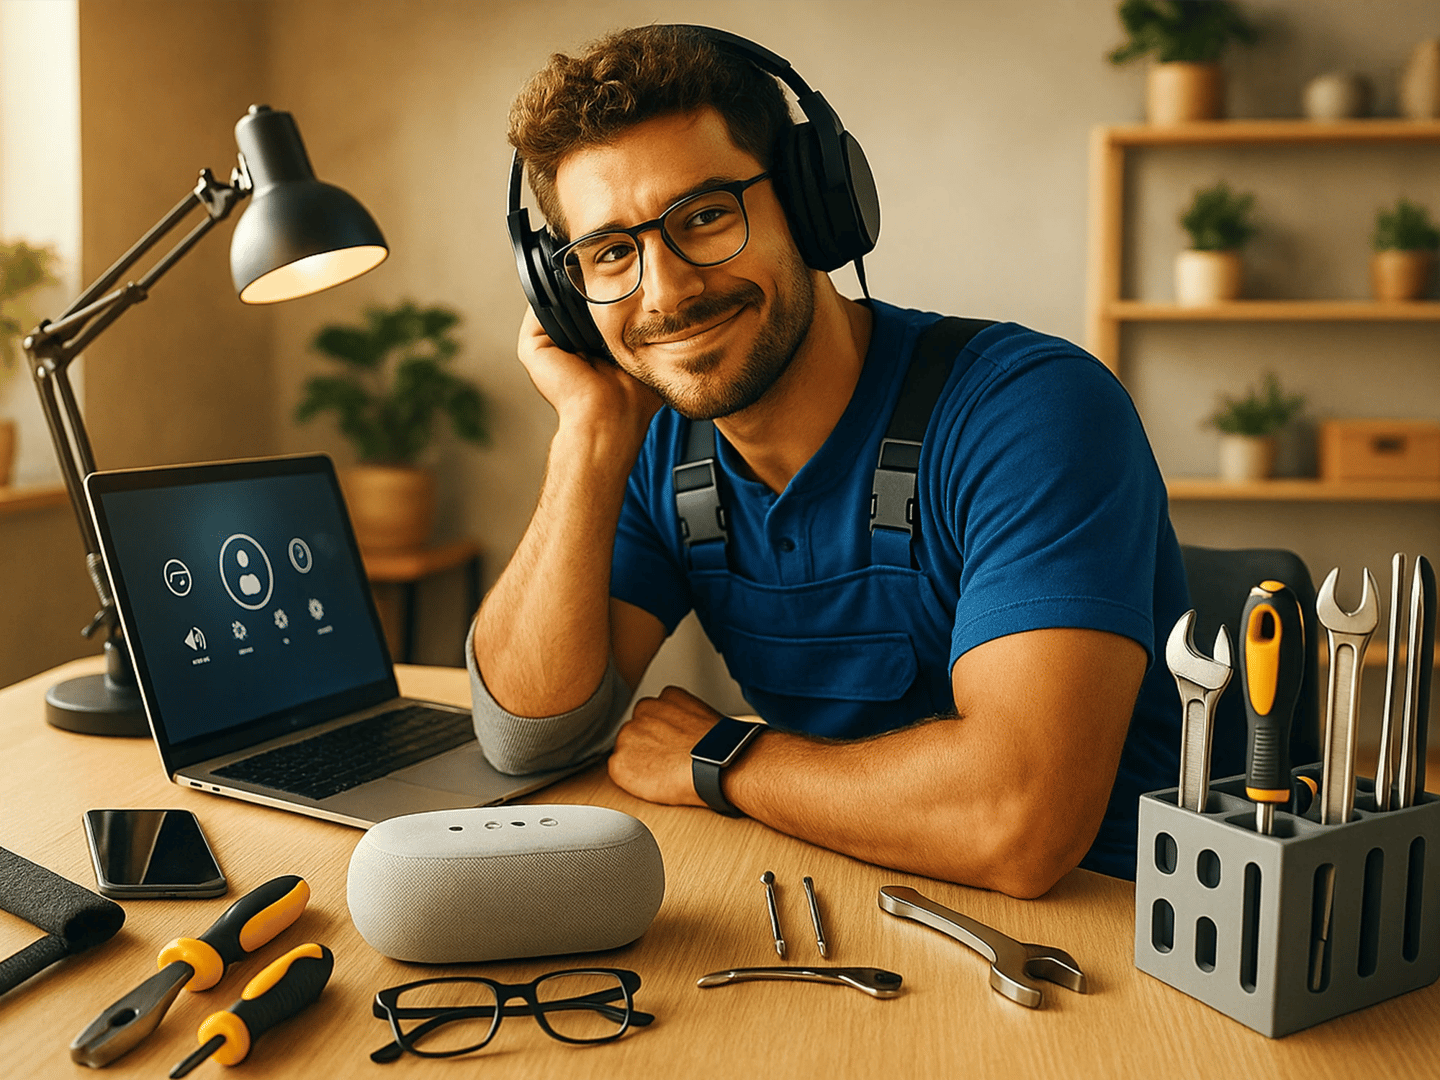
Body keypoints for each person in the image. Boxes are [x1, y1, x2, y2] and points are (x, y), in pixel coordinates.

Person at [470, 24, 1188, 898]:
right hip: (846, 888)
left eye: (705, 216)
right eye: (611, 252)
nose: (666, 292)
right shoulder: (656, 448)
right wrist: (587, 435)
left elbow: (1018, 822)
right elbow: (528, 736)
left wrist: (726, 758)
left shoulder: (1030, 411)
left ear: (815, 206)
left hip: (1114, 926)